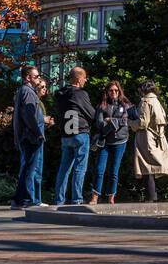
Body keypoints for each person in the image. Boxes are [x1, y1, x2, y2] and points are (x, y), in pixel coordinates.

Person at [129, 79, 168, 202]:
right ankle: (152, 196)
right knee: (154, 166)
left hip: (146, 138)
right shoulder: (157, 102)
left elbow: (142, 123)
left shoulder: (145, 102)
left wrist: (130, 122)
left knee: (147, 168)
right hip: (158, 137)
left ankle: (151, 197)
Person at [53, 66, 95, 206]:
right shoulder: (80, 93)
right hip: (80, 133)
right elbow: (91, 113)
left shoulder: (59, 94)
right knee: (79, 168)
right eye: (84, 77)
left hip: (66, 134)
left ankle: (59, 199)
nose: (85, 80)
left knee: (64, 168)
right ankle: (76, 199)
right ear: (78, 79)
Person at [87, 80, 131, 205]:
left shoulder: (125, 105)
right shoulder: (102, 105)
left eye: (116, 90)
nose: (113, 92)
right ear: (107, 92)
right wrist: (113, 122)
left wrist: (110, 120)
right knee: (99, 169)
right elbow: (99, 123)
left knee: (114, 171)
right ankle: (95, 196)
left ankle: (111, 197)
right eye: (111, 90)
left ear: (119, 91)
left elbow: (125, 122)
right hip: (105, 141)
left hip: (120, 141)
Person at [11, 65, 46, 208]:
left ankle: (18, 200)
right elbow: (29, 115)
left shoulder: (24, 91)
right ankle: (25, 200)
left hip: (27, 135)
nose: (38, 79)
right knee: (29, 170)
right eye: (36, 76)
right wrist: (38, 133)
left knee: (27, 168)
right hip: (31, 137)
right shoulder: (28, 92)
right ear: (28, 78)